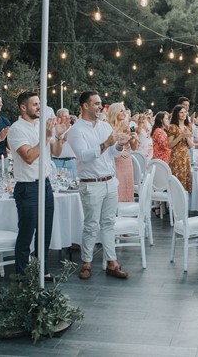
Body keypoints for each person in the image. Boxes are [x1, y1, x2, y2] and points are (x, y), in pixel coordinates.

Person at [68, 91, 131, 280]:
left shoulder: (104, 126)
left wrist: (120, 144)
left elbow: (114, 153)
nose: (99, 107)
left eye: (100, 104)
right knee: (90, 225)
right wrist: (106, 143)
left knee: (108, 223)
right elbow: (83, 156)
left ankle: (112, 261)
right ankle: (86, 262)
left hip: (110, 181)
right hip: (91, 184)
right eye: (96, 104)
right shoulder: (76, 130)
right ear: (85, 106)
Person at [7, 92, 65, 278]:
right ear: (23, 107)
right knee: (27, 233)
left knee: (45, 231)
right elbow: (29, 157)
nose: (39, 107)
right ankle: (23, 275)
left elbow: (55, 152)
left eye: (39, 103)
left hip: (46, 185)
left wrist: (59, 136)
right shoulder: (16, 129)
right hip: (28, 187)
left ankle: (43, 270)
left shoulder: (42, 125)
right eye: (35, 104)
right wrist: (47, 137)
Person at [107, 102, 138, 202]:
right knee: (118, 188)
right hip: (116, 161)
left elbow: (134, 147)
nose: (124, 113)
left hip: (127, 161)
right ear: (114, 112)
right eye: (121, 110)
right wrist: (121, 129)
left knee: (128, 185)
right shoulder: (109, 127)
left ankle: (128, 210)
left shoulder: (128, 126)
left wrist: (135, 139)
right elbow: (110, 143)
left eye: (124, 110)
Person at [167, 105, 194, 192]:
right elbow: (170, 145)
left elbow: (191, 145)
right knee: (177, 180)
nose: (184, 114)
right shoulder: (172, 126)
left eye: (185, 112)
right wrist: (181, 136)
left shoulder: (188, 126)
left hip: (185, 156)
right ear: (177, 114)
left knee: (185, 181)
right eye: (181, 112)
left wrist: (186, 137)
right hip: (176, 156)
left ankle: (184, 203)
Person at [51, 108, 78, 179]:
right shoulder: (53, 130)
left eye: (68, 116)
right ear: (58, 118)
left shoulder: (73, 128)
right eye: (65, 116)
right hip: (57, 162)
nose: (67, 118)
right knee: (57, 183)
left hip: (71, 161)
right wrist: (64, 139)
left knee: (73, 184)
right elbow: (53, 148)